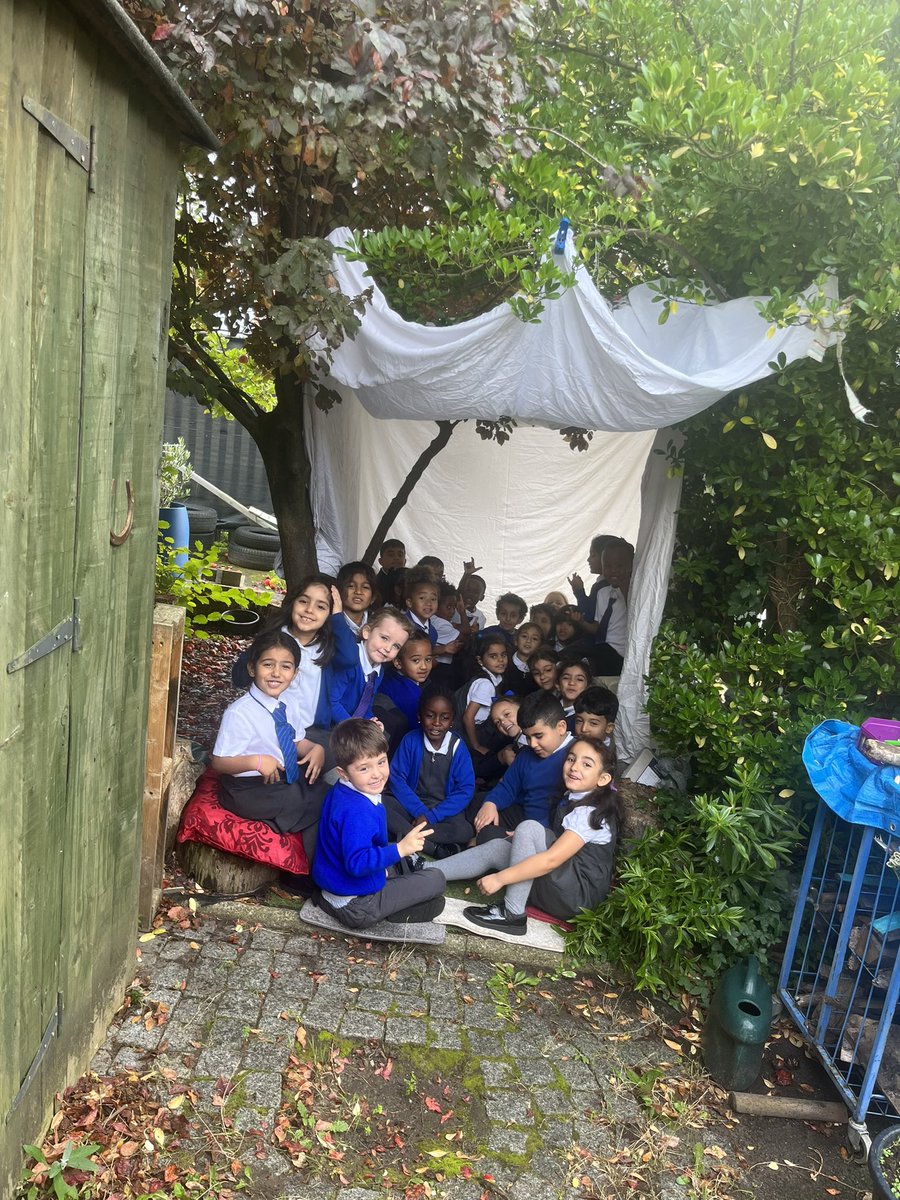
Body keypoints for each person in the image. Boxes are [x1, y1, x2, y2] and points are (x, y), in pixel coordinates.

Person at [428, 736, 618, 933]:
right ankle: (427, 870)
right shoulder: (576, 797)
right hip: (565, 885)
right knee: (499, 846)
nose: (574, 767)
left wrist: (500, 878)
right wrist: (520, 838)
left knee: (528, 828)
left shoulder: (590, 813)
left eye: (586, 764)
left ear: (603, 778)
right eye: (571, 759)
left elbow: (551, 860)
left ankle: (512, 913)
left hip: (577, 897)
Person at [312, 720, 446, 930]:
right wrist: (401, 849)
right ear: (343, 773)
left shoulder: (344, 790)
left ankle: (395, 896)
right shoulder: (357, 811)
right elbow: (356, 863)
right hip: (357, 904)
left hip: (335, 885)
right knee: (436, 879)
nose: (376, 774)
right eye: (364, 768)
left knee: (398, 868)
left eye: (382, 762)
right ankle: (385, 911)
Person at [211, 631, 328, 860]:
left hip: (279, 778)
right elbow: (218, 762)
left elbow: (296, 741)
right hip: (246, 789)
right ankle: (302, 874)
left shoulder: (289, 703)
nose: (276, 673)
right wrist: (256, 761)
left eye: (286, 667)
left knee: (325, 792)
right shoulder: (240, 713)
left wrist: (316, 749)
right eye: (268, 665)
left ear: (294, 673)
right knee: (307, 800)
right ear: (253, 669)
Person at [231, 574, 359, 759]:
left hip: (311, 732)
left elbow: (350, 658)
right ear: (292, 603)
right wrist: (263, 650)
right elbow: (239, 677)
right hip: (269, 729)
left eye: (321, 606)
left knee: (336, 771)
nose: (309, 610)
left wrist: (338, 617)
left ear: (329, 614)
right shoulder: (273, 640)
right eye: (303, 601)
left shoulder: (326, 648)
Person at [468, 691, 573, 842]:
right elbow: (508, 786)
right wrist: (491, 803)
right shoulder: (527, 754)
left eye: (538, 736)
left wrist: (528, 832)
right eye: (528, 737)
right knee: (480, 806)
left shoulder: (577, 756)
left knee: (488, 836)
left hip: (548, 831)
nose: (533, 744)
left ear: (561, 727)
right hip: (523, 816)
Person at [385, 684, 476, 858]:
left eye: (444, 718)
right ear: (419, 716)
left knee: (464, 830)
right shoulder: (411, 740)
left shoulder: (457, 747)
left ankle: (407, 834)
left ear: (452, 721)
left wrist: (431, 817)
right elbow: (396, 778)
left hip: (441, 811)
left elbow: (465, 789)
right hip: (411, 806)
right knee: (381, 805)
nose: (436, 723)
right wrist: (420, 812)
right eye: (430, 716)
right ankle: (432, 848)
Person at [329, 608, 413, 723]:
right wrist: (354, 728)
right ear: (367, 632)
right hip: (331, 725)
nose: (388, 649)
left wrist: (370, 722)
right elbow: (331, 703)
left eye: (396, 646)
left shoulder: (378, 671)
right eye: (384, 638)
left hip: (350, 724)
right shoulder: (349, 662)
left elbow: (365, 705)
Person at [568, 537, 634, 675]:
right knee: (570, 654)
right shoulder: (603, 593)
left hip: (623, 653)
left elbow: (636, 614)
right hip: (603, 649)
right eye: (608, 566)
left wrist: (624, 585)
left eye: (619, 566)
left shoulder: (636, 592)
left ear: (630, 566)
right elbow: (597, 629)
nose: (613, 570)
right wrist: (581, 622)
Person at [461, 634, 509, 760]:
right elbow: (468, 717)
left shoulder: (494, 678)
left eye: (503, 655)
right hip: (473, 731)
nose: (500, 660)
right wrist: (476, 746)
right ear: (480, 660)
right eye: (493, 656)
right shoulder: (485, 684)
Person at [379, 631, 434, 733]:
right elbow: (416, 731)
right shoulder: (411, 696)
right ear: (398, 662)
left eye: (428, 659)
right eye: (416, 660)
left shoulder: (389, 675)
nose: (424, 667)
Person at [336, 561, 376, 635]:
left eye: (365, 587)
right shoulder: (330, 624)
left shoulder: (378, 625)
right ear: (339, 592)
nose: (358, 592)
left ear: (373, 597)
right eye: (351, 586)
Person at [573, 686, 619, 750]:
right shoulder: (570, 746)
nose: (583, 729)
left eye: (593, 723)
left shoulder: (608, 757)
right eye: (579, 721)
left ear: (609, 728)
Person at [505, 622, 542, 695]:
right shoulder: (505, 663)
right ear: (515, 640)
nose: (528, 641)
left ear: (540, 646)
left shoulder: (540, 670)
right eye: (524, 636)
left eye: (534, 638)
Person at [557, 657, 592, 722]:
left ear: (588, 687)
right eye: (566, 678)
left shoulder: (590, 716)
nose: (572, 683)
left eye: (579, 679)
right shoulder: (546, 709)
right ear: (557, 684)